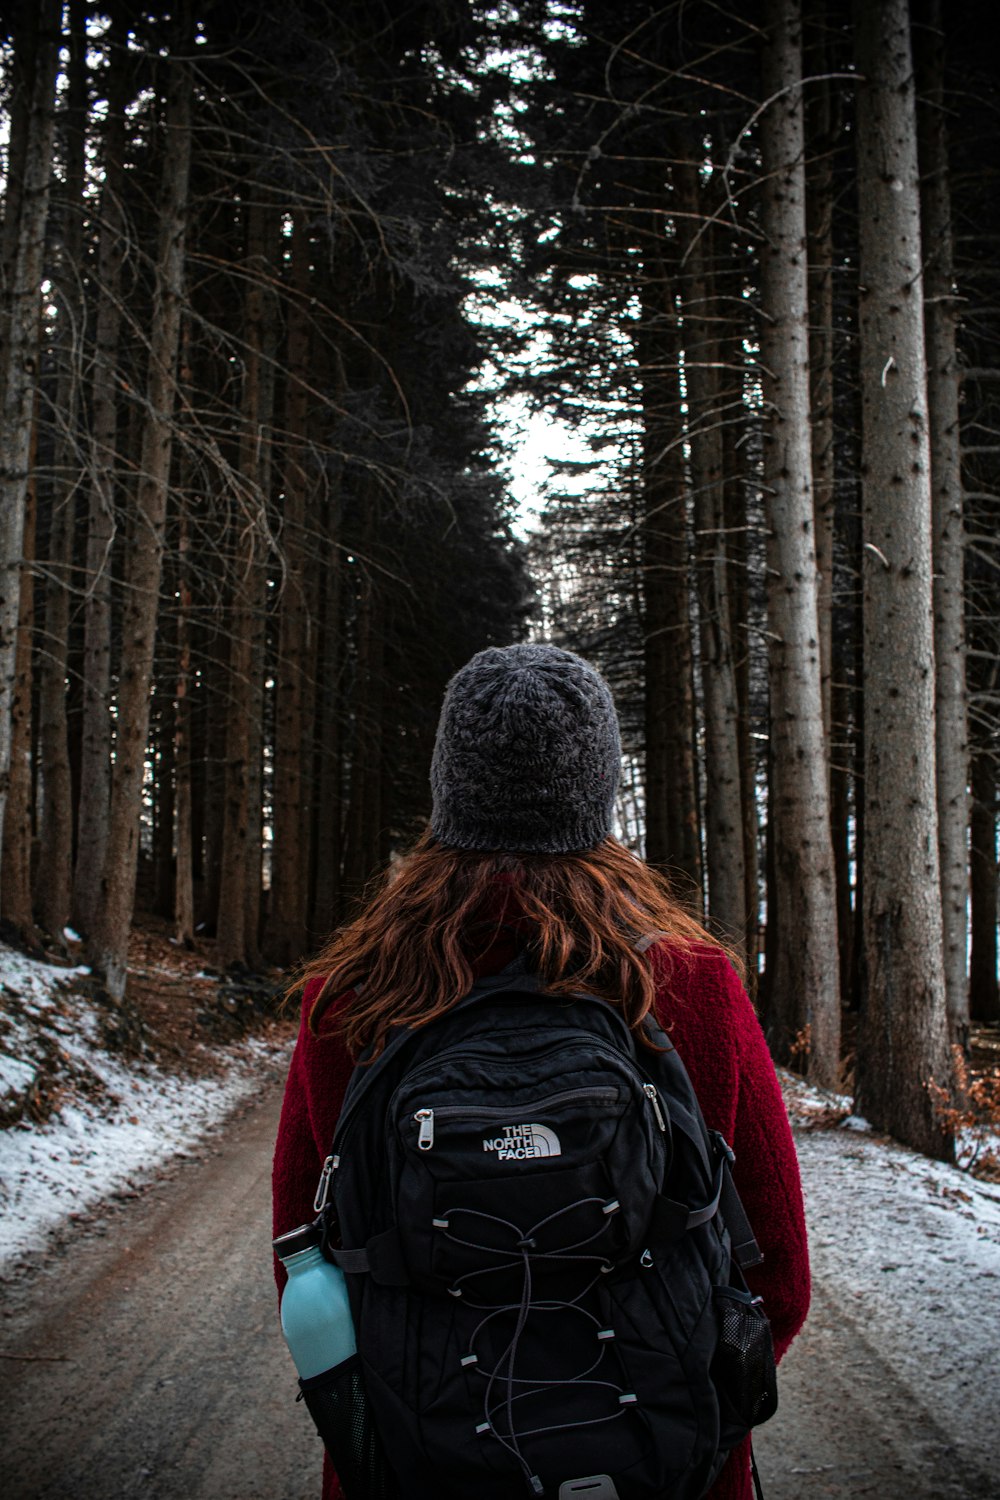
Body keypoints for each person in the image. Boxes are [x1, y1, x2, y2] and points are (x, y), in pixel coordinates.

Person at [273, 643, 810, 1500]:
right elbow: (776, 1276)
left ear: (449, 788)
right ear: (596, 792)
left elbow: (305, 1271)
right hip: (668, 1467)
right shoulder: (692, 984)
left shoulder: (350, 1000)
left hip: (412, 1467)